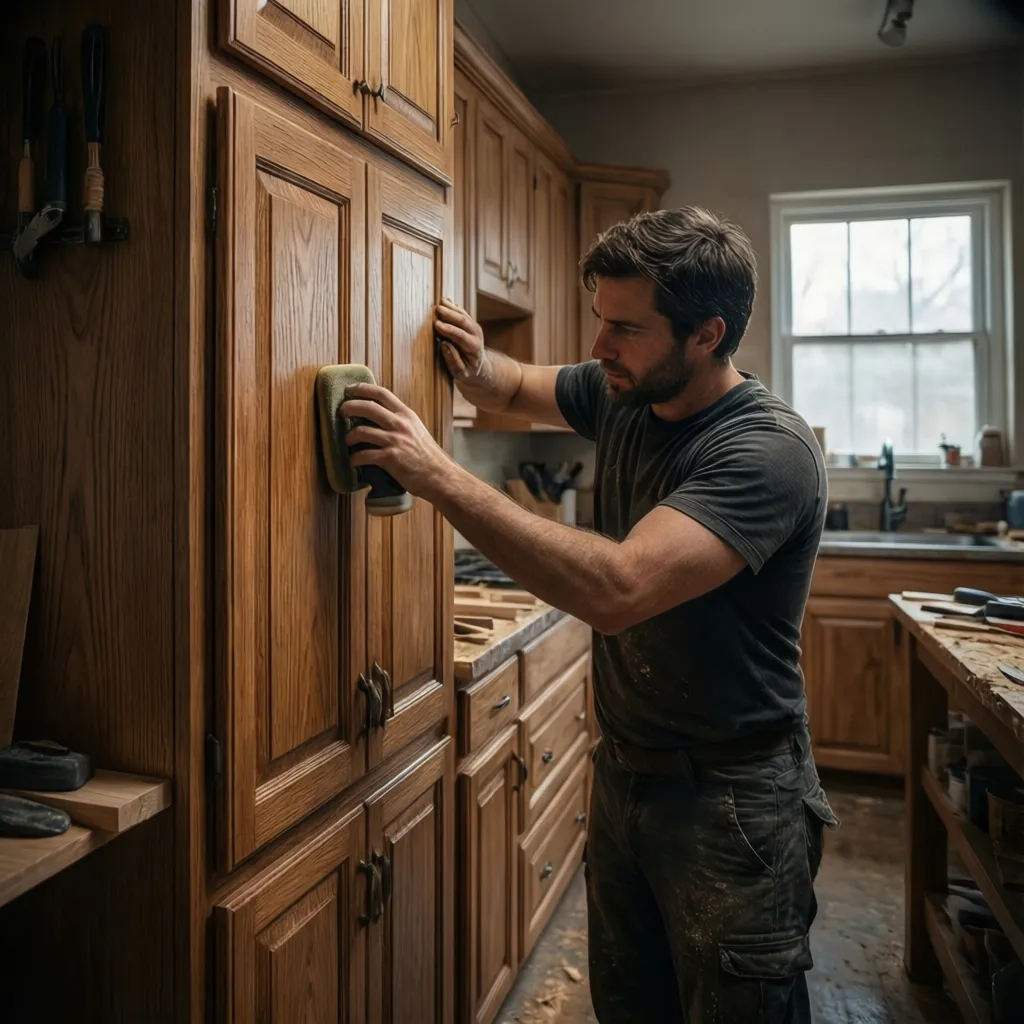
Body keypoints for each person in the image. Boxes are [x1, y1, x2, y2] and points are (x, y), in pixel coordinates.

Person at [341, 206, 839, 1023]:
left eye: (625, 329)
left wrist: (437, 475)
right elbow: (509, 383)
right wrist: (472, 358)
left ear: (707, 334)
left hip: (735, 802)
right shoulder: (628, 390)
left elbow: (619, 589)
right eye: (599, 321)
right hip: (628, 775)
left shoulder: (764, 450)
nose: (600, 348)